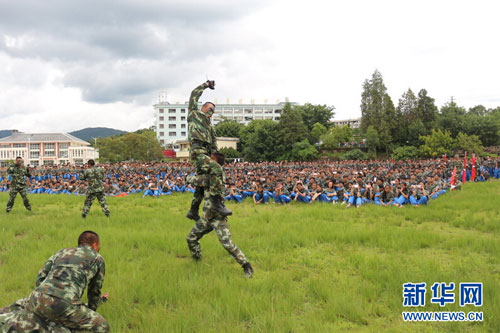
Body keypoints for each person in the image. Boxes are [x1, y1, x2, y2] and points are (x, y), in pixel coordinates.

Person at [0, 231, 109, 332]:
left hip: (37, 296)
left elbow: (41, 277)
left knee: (34, 310)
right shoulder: (97, 258)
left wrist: (47, 295)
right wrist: (91, 311)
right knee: (103, 325)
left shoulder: (62, 251)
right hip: (63, 304)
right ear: (95, 244)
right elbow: (94, 291)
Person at [186, 152, 253, 277]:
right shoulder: (210, 175)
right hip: (206, 217)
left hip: (217, 217)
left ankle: (246, 266)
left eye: (210, 160)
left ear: (215, 163)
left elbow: (193, 180)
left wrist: (187, 177)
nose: (206, 162)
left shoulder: (214, 176)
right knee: (191, 238)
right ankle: (197, 260)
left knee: (226, 243)